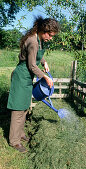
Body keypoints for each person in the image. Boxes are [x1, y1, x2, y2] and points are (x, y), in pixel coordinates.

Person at [7, 16, 60, 153]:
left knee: (25, 106)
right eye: (50, 35)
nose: (51, 38)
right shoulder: (33, 42)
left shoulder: (38, 39)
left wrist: (44, 62)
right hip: (21, 76)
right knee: (18, 109)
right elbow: (31, 65)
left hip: (27, 77)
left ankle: (20, 133)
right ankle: (14, 141)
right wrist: (45, 78)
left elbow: (36, 56)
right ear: (44, 30)